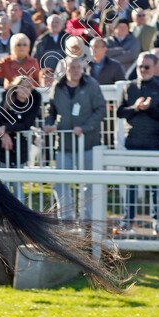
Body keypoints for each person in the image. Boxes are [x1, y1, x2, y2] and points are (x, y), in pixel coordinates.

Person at [44, 56, 106, 220]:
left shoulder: (91, 85)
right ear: (65, 69)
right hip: (64, 144)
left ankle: (87, 219)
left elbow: (100, 110)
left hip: (87, 143)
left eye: (78, 67)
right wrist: (49, 124)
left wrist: (85, 128)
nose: (75, 70)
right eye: (72, 67)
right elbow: (51, 110)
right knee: (62, 183)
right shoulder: (58, 86)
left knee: (89, 183)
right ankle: (66, 219)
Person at [117, 52, 159, 235]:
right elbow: (120, 112)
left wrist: (150, 108)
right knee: (131, 184)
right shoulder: (129, 87)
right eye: (140, 66)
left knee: (157, 184)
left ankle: (158, 220)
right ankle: (128, 220)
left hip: (155, 142)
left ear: (155, 68)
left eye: (147, 67)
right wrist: (135, 108)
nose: (143, 70)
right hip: (133, 140)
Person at [0, 76, 41, 195]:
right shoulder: (6, 100)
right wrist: (4, 135)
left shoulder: (33, 103)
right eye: (22, 86)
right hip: (4, 149)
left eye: (28, 87)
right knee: (3, 186)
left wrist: (6, 128)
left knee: (18, 185)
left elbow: (26, 124)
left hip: (21, 148)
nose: (25, 89)